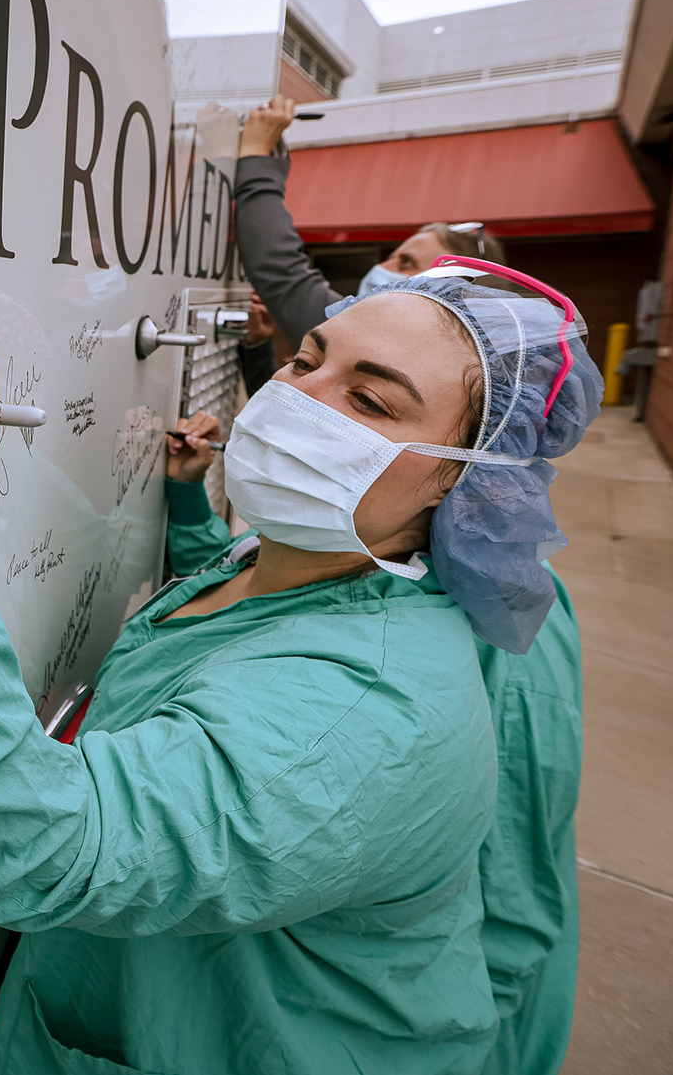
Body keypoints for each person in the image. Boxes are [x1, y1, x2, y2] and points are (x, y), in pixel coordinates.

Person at [0, 266, 601, 1074]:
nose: (298, 398)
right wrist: (189, 504)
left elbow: (46, 847)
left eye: (369, 400)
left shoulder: (371, 710)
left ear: (463, 483)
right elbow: (241, 631)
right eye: (306, 360)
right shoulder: (301, 555)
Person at [234, 97, 580, 1075]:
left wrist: (259, 158)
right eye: (307, 361)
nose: (392, 280)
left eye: (420, 264)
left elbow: (508, 885)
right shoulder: (450, 573)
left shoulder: (491, 643)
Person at [233, 95, 508, 347]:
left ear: (453, 297)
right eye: (393, 257)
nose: (381, 267)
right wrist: (258, 346)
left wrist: (257, 155)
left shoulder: (376, 341)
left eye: (406, 264)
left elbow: (282, 274)